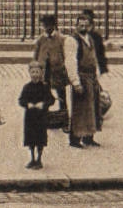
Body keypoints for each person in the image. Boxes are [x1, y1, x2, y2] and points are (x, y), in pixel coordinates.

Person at [33, 13, 70, 129]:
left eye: (49, 25)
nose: (46, 28)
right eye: (44, 25)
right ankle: (45, 119)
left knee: (61, 95)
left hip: (58, 71)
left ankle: (64, 120)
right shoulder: (40, 40)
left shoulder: (61, 38)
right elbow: (36, 55)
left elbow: (65, 54)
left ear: (54, 25)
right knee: (44, 95)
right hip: (45, 72)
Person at [68, 14, 99, 147]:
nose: (83, 27)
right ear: (76, 26)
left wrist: (96, 75)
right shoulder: (73, 41)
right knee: (79, 108)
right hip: (81, 76)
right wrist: (75, 82)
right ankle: (75, 139)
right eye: (80, 25)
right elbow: (70, 62)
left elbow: (94, 58)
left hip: (91, 77)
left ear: (90, 26)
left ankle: (88, 136)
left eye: (86, 25)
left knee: (91, 107)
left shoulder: (90, 39)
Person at [19, 62, 54, 169]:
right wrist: (27, 104)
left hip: (41, 117)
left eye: (37, 72)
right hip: (30, 117)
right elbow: (21, 100)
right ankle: (32, 158)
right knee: (30, 139)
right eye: (33, 72)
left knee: (40, 138)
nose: (35, 74)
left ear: (41, 73)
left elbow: (51, 99)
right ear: (29, 73)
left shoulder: (45, 87)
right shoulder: (26, 87)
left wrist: (43, 104)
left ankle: (39, 159)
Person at [82, 8, 109, 124]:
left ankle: (96, 114)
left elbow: (101, 53)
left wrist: (102, 68)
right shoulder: (78, 36)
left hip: (93, 68)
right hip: (82, 68)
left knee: (94, 91)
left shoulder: (96, 36)